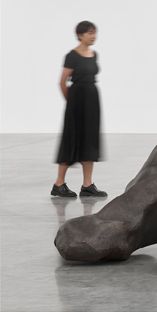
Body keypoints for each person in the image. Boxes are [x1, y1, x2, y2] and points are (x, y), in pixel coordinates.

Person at [54, 20, 106, 197]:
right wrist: (71, 103)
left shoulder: (94, 54)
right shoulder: (72, 56)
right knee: (72, 139)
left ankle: (87, 185)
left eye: (95, 32)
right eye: (90, 33)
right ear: (80, 35)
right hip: (77, 100)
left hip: (92, 99)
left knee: (90, 140)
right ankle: (59, 184)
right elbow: (62, 82)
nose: (93, 36)